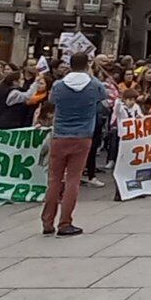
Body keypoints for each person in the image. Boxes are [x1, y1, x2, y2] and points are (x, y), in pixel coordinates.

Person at [42, 64, 108, 237]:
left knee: (54, 179)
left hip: (60, 135)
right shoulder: (93, 85)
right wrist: (92, 74)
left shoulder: (58, 85)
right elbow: (105, 96)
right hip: (82, 136)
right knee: (73, 179)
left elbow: (51, 100)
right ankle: (65, 223)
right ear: (87, 66)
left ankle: (47, 221)